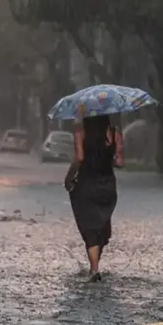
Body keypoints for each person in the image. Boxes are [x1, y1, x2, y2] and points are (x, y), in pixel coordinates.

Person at [64, 105, 123, 282]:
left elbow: (79, 158)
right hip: (107, 185)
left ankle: (94, 270)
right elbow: (120, 162)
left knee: (89, 227)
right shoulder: (114, 133)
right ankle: (95, 265)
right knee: (101, 226)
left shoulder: (80, 132)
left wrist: (69, 177)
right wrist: (109, 155)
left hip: (86, 184)